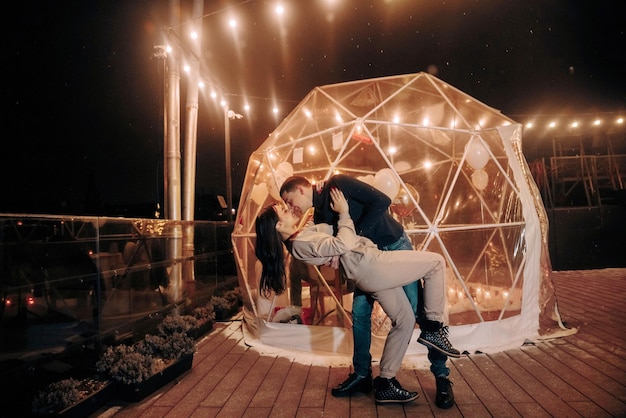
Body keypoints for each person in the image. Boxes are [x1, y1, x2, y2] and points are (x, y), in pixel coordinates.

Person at [255, 188, 460, 405]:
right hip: (373, 265)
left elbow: (325, 239)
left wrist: (322, 215)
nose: (289, 208)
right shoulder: (301, 243)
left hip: (367, 272)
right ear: (279, 225)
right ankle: (435, 330)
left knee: (405, 320)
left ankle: (385, 383)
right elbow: (344, 244)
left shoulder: (298, 238)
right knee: (436, 263)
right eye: (283, 209)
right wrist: (344, 213)